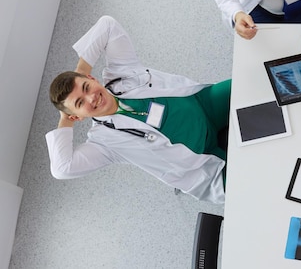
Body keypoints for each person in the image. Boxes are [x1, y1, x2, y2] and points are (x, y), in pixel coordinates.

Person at [46, 16, 230, 204]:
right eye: (79, 103)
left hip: (206, 105)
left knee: (254, 84)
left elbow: (107, 25)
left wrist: (80, 71)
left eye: (86, 87)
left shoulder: (120, 73)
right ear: (77, 116)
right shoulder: (103, 143)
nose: (91, 97)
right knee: (253, 181)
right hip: (205, 171)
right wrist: (65, 119)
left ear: (91, 79)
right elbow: (62, 168)